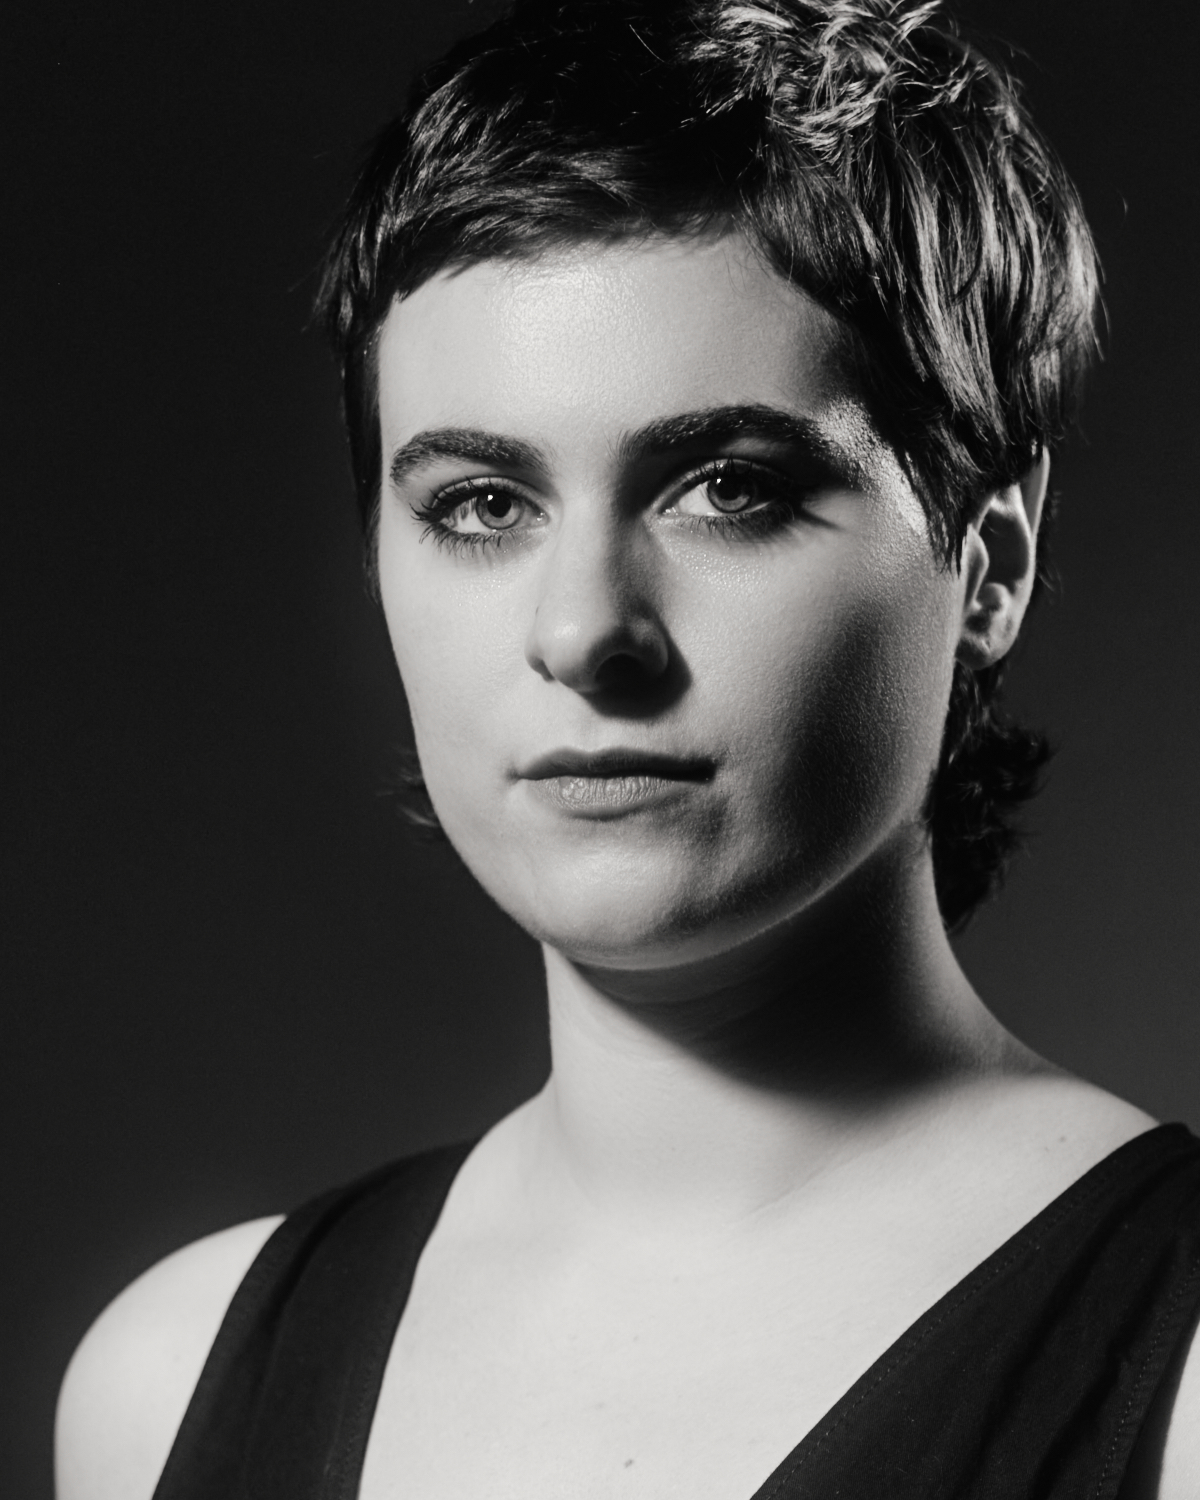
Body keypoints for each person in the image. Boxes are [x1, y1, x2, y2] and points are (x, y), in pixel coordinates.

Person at [53, 1, 1200, 1496]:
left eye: (727, 487)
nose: (584, 630)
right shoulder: (163, 1387)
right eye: (481, 505)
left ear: (989, 561)